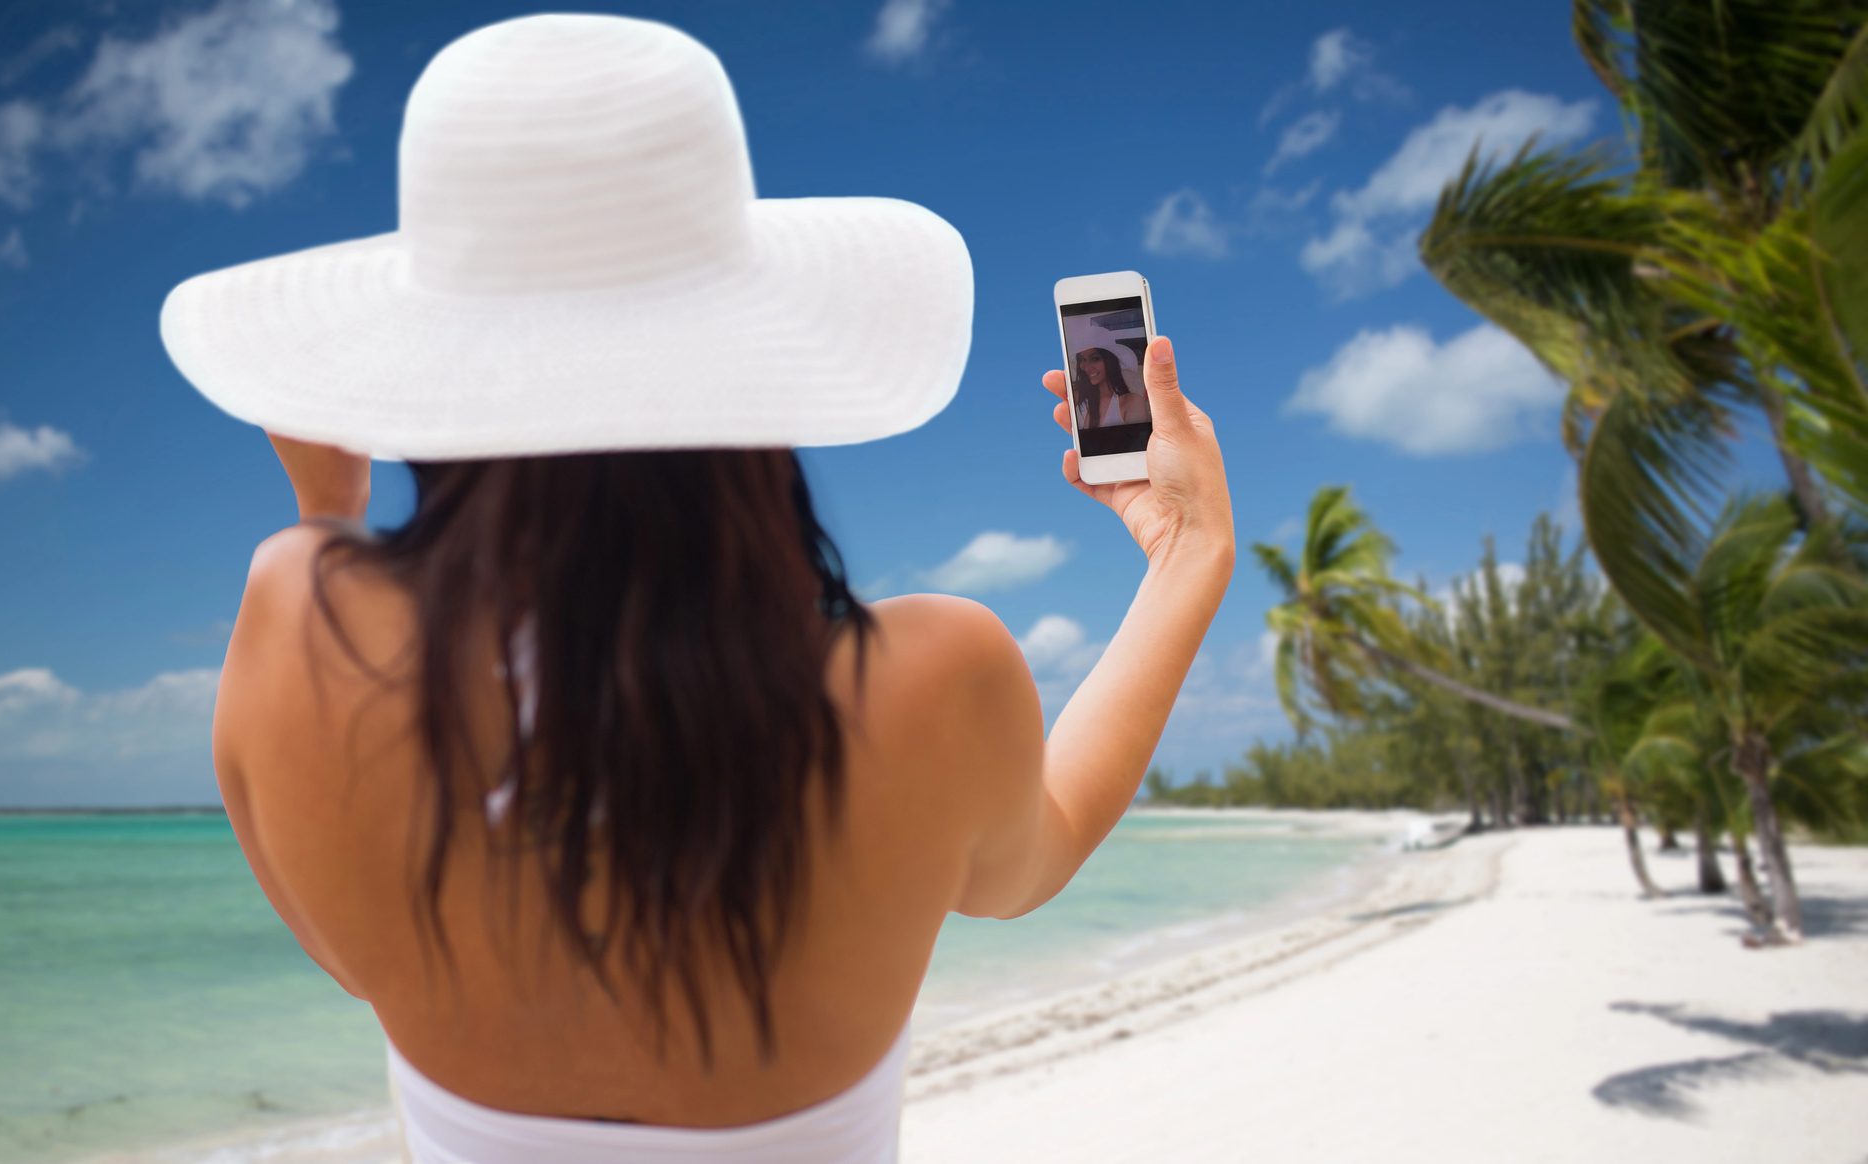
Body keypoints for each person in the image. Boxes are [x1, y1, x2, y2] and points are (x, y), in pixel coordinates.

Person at [167, 14, 1232, 1164]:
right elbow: (1043, 847)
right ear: (753, 359)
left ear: (430, 382)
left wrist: (326, 513)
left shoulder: (301, 623)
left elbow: (346, 942)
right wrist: (1187, 552)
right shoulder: (932, 677)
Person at [1073, 346, 1152, 430]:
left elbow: (1137, 440)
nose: (1087, 368)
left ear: (1110, 361)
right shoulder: (1078, 394)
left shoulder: (1131, 401)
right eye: (1081, 360)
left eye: (1095, 359)